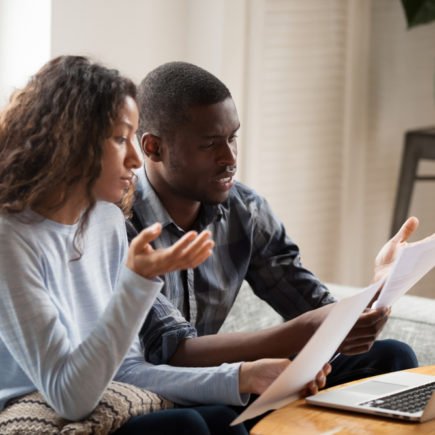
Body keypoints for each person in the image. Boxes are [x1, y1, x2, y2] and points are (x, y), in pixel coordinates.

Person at [0, 56, 329, 435]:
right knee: (184, 427)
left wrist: (241, 376)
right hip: (31, 410)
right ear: (73, 141)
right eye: (121, 139)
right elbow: (69, 397)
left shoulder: (105, 221)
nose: (135, 158)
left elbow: (128, 370)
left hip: (100, 395)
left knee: (226, 419)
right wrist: (138, 282)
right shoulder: (12, 239)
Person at [128, 61, 419, 394]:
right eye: (209, 144)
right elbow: (170, 354)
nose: (230, 157)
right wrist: (303, 332)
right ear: (153, 147)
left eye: (232, 137)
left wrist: (383, 284)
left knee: (392, 357)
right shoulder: (119, 223)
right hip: (165, 392)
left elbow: (313, 309)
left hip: (230, 380)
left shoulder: (244, 210)